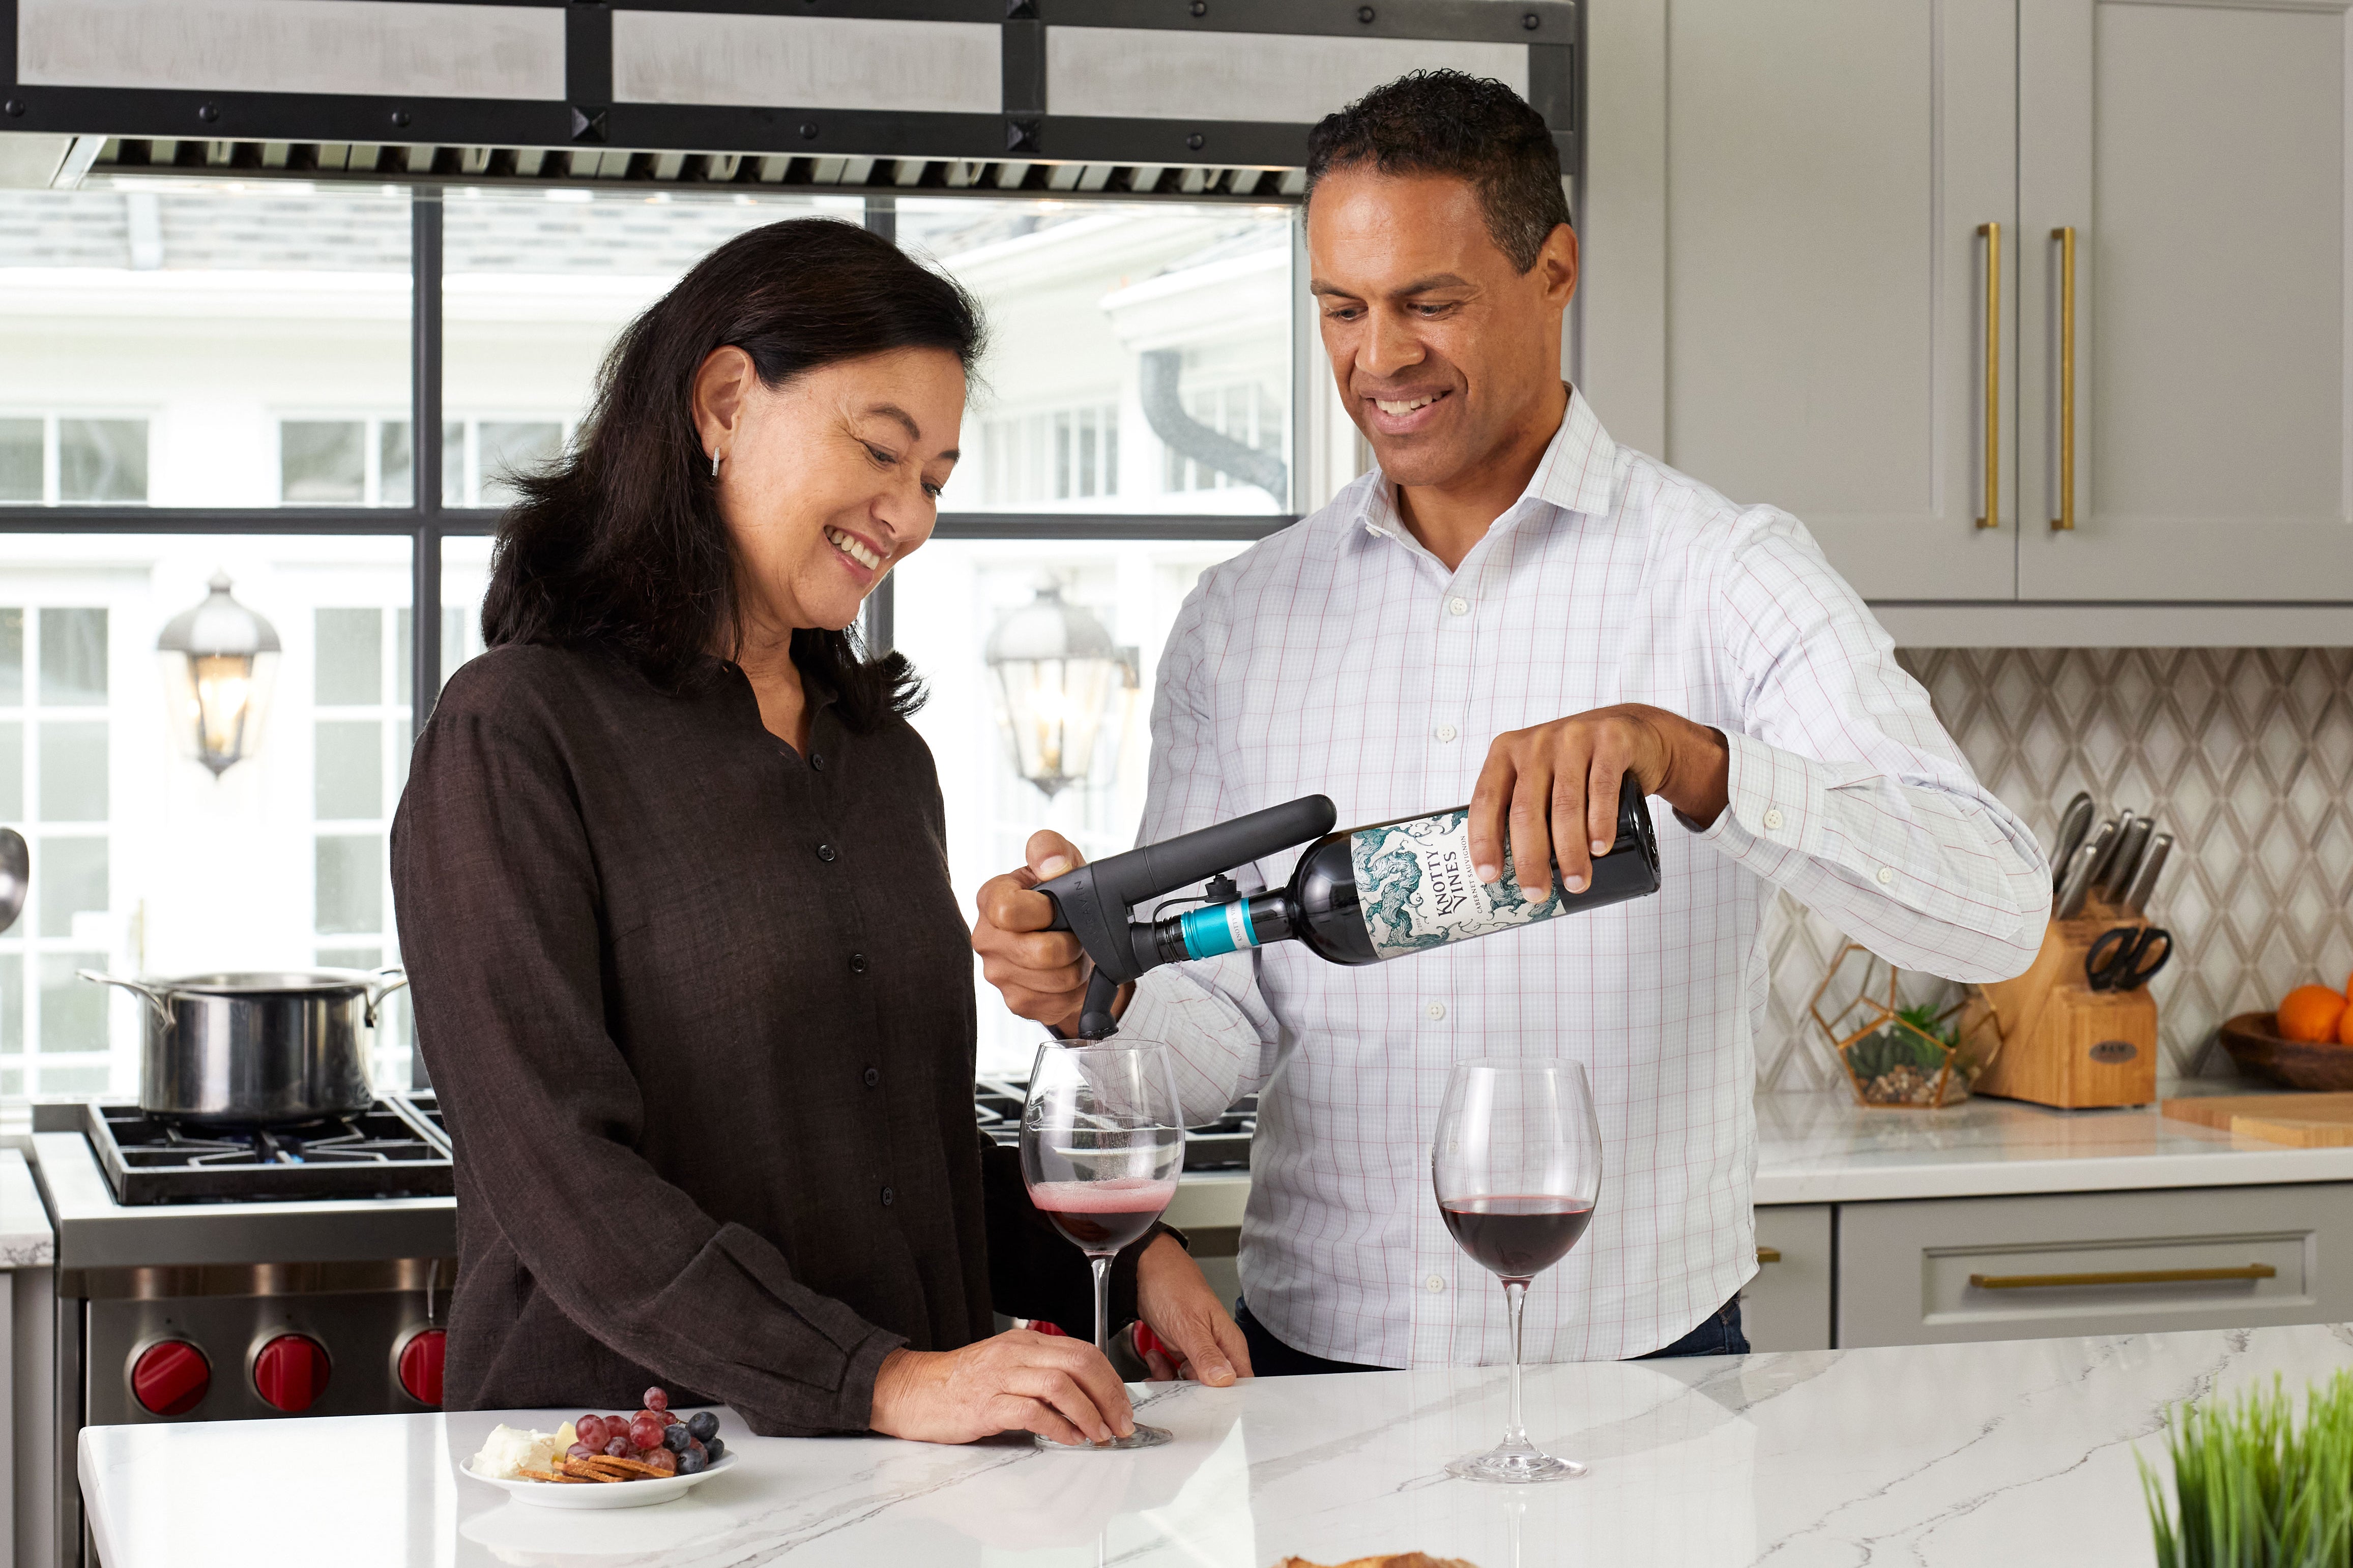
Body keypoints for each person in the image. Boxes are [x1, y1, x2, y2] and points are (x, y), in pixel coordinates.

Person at [972, 72, 2051, 1374]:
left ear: (1556, 272)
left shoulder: (1727, 573)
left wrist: (1700, 766)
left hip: (1639, 1358)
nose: (1380, 358)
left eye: (1431, 302)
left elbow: (1998, 910)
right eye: (1342, 309)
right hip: (1318, 1366)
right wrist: (1103, 992)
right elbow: (1219, 1021)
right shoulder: (1239, 619)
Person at [392, 217, 1247, 1444]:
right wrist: (881, 1379)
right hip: (631, 1483)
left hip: (896, 1486)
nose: (908, 514)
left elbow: (897, 1139)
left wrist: (1119, 1249)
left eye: (937, 481)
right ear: (727, 402)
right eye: (882, 452)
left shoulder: (880, 758)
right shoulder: (516, 731)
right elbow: (559, 1176)